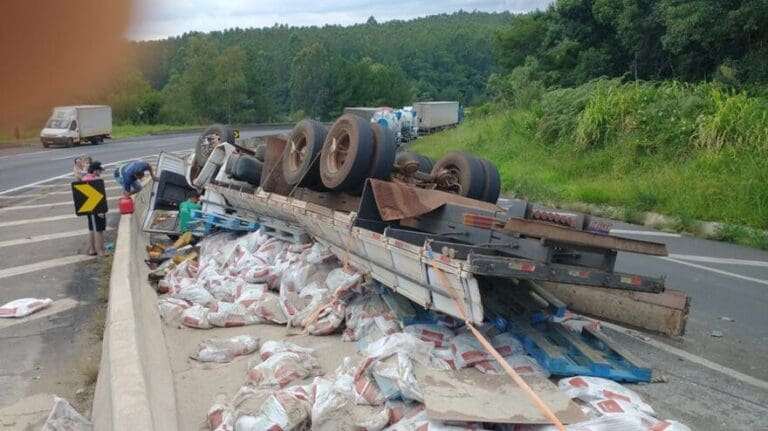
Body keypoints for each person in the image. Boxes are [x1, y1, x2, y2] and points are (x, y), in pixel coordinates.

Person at [82, 161, 108, 256]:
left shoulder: (84, 178)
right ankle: (102, 251)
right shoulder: (95, 181)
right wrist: (100, 210)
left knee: (91, 229)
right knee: (99, 230)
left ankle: (92, 250)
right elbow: (97, 197)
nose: (100, 172)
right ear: (95, 170)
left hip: (88, 207)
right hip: (97, 208)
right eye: (100, 170)